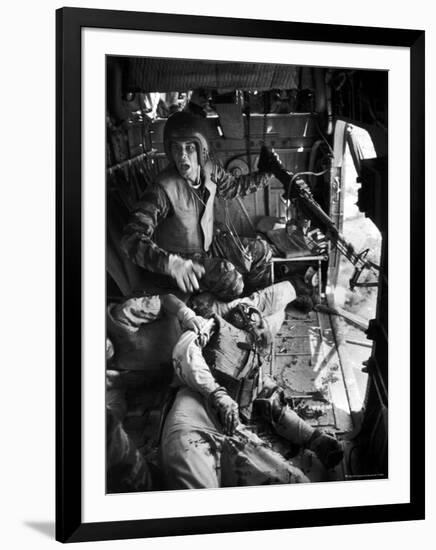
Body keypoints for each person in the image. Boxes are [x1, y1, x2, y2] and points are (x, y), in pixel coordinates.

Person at [160, 281, 343, 490]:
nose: (261, 327)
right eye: (255, 324)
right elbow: (184, 354)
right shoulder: (208, 327)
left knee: (298, 483)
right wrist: (217, 393)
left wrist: (313, 438)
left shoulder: (253, 367)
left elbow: (273, 406)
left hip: (233, 431)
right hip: (191, 426)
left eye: (262, 324)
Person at [121, 111, 288, 301]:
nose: (182, 156)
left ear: (202, 150)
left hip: (209, 246)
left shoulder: (211, 169)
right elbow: (130, 238)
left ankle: (255, 305)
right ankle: (216, 311)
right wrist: (170, 263)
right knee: (230, 279)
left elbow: (234, 187)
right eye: (176, 149)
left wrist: (268, 173)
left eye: (189, 148)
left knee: (261, 251)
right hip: (181, 263)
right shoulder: (163, 190)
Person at [106, 292, 208, 492]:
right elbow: (114, 410)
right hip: (184, 371)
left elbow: (165, 300)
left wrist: (186, 314)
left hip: (194, 325)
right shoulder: (108, 379)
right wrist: (117, 381)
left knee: (262, 311)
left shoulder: (121, 316)